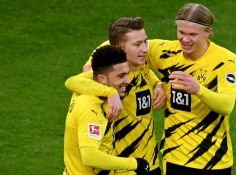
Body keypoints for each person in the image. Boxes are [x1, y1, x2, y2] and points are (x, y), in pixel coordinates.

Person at [146, 3, 236, 175]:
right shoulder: (165, 51)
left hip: (214, 160)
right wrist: (156, 83)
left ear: (208, 32)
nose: (185, 39)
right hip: (175, 157)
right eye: (181, 32)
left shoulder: (226, 61)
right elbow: (124, 42)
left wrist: (198, 89)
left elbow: (227, 105)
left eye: (192, 34)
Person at [64, 17, 165, 175]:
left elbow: (143, 70)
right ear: (118, 49)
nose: (145, 49)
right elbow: (74, 81)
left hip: (149, 161)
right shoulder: (103, 81)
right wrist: (109, 92)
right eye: (137, 44)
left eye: (145, 42)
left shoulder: (139, 61)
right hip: (122, 165)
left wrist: (157, 83)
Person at [63, 45, 150, 175]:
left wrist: (109, 92)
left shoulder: (89, 84)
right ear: (102, 79)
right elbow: (90, 156)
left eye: (127, 74)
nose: (128, 81)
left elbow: (71, 81)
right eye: (121, 76)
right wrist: (134, 164)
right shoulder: (91, 109)